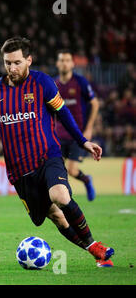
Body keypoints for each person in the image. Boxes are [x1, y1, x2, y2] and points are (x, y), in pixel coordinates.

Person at [0, 37, 114, 267]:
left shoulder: (43, 83)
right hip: (19, 170)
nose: (12, 68)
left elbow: (64, 113)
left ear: (29, 60)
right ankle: (95, 252)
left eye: (17, 62)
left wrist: (83, 141)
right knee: (56, 217)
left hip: (47, 155)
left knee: (61, 196)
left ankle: (95, 245)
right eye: (7, 63)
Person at [54, 50, 99, 201]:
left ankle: (87, 180)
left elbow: (95, 103)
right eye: (62, 60)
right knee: (55, 169)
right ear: (57, 63)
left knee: (72, 170)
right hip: (58, 135)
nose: (64, 63)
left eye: (67, 60)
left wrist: (89, 128)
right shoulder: (54, 84)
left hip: (76, 135)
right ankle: (63, 199)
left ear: (73, 64)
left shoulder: (80, 82)